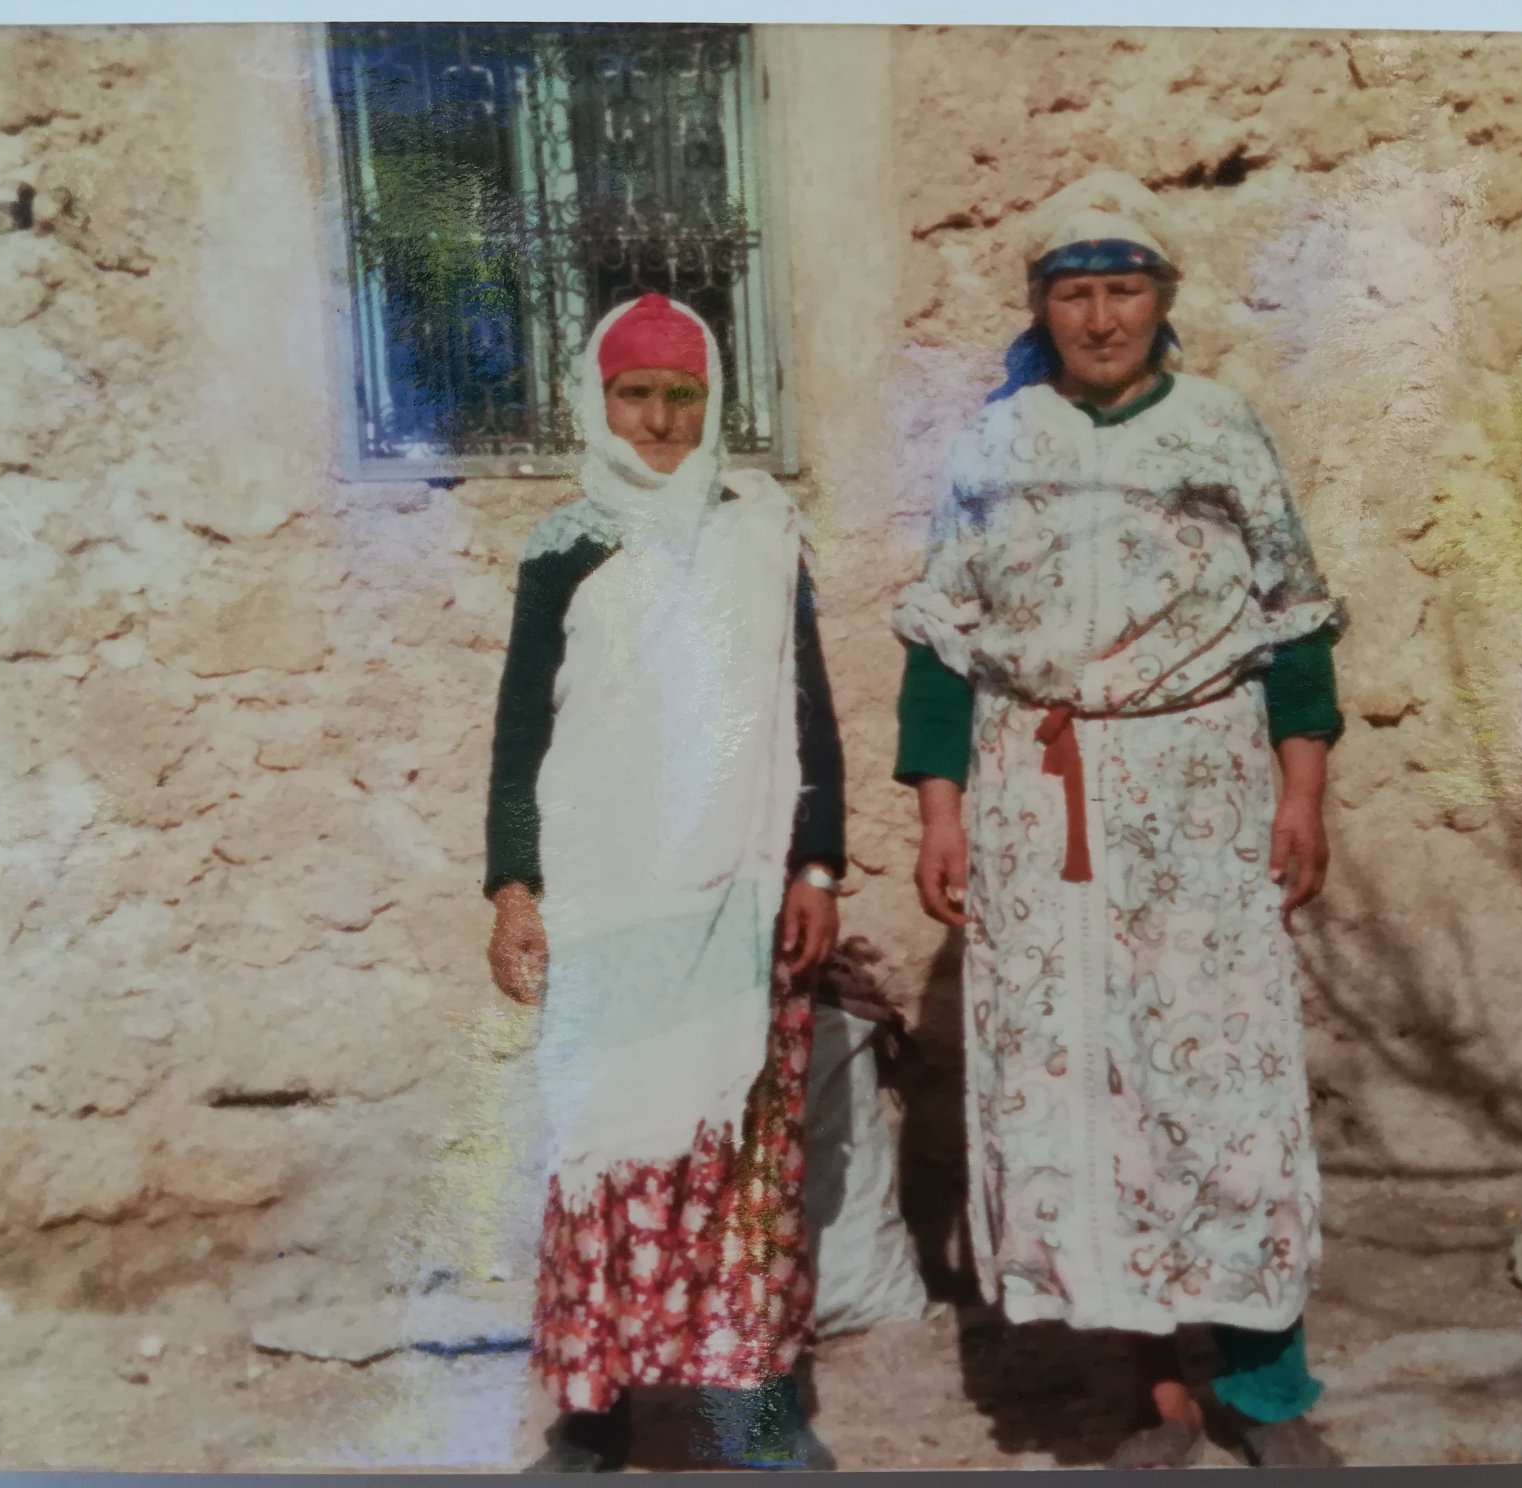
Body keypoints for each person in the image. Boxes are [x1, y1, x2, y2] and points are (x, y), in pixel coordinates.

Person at [891, 170, 1347, 1470]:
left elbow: (1296, 623)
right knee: (1083, 1092)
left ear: (1164, 298)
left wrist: (1301, 792)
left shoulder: (1219, 431)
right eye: (1075, 293)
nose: (1100, 319)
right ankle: (1152, 1394)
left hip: (1197, 797)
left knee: (1222, 1086)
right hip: (1037, 807)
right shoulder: (996, 446)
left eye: (1125, 290)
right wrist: (940, 814)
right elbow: (939, 644)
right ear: (1042, 308)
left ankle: (1265, 1391)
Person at [484, 292, 846, 1472]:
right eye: (633, 395)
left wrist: (816, 863)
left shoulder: (761, 536)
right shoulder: (564, 548)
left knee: (743, 1160)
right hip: (611, 897)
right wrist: (514, 887)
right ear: (598, 403)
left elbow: (806, 710)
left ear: (713, 401)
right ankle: (594, 1418)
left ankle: (757, 1413)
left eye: (681, 397)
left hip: (736, 895)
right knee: (605, 1140)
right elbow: (521, 731)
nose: (656, 421)